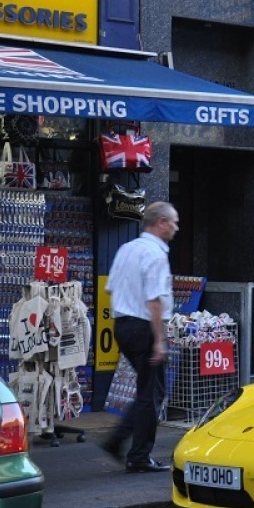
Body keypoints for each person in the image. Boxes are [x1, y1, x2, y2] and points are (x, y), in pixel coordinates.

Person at [101, 201, 179, 472]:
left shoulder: (127, 249)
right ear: (160, 222)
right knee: (153, 392)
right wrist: (159, 339)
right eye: (173, 222)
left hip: (123, 325)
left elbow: (111, 288)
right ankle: (138, 454)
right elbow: (154, 299)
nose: (176, 228)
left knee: (149, 389)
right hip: (144, 327)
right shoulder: (155, 255)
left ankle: (121, 441)